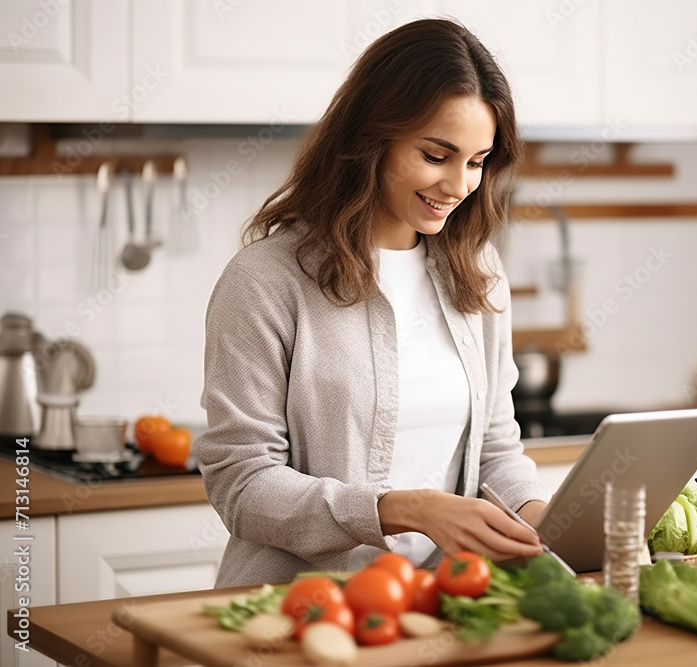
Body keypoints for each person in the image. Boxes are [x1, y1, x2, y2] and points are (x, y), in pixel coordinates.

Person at [194, 18, 549, 587]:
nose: (459, 185)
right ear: (370, 138)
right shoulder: (263, 281)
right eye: (436, 155)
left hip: (441, 607)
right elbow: (242, 484)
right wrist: (405, 509)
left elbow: (496, 445)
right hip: (298, 610)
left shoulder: (477, 272)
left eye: (477, 162)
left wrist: (538, 517)